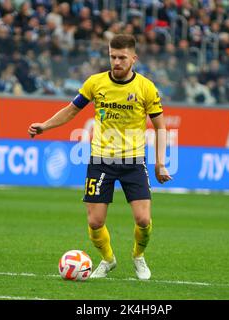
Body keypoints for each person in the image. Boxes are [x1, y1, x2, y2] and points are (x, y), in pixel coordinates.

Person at [28, 34, 172, 280]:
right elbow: (71, 110)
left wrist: (160, 163)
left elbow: (160, 127)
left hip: (133, 161)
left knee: (143, 219)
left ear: (133, 58)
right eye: (113, 56)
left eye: (122, 57)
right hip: (100, 160)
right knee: (95, 222)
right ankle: (107, 260)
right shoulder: (95, 83)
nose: (116, 62)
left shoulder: (146, 88)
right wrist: (46, 126)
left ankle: (138, 256)